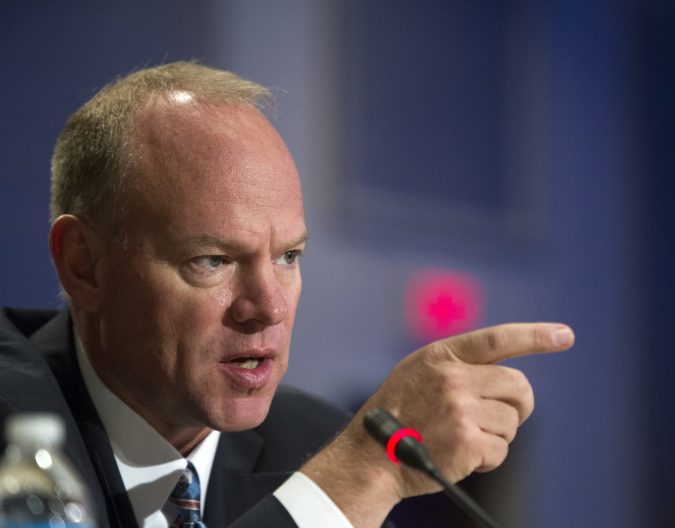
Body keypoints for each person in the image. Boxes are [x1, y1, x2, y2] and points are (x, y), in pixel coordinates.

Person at [0, 62, 574, 527]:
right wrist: (358, 478)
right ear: (85, 266)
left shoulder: (313, 441)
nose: (269, 307)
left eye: (288, 257)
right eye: (214, 261)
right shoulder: (348, 467)